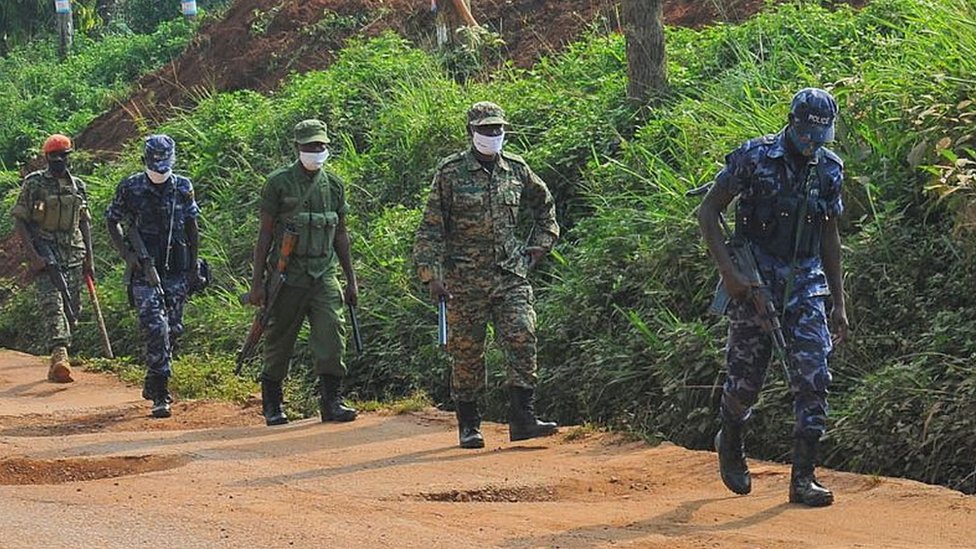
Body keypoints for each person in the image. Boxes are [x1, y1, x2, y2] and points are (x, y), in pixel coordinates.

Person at [697, 88, 849, 507]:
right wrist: (729, 274)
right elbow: (708, 212)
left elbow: (830, 235)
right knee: (745, 382)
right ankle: (730, 435)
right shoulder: (754, 157)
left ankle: (803, 478)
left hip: (806, 285)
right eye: (806, 133)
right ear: (792, 122)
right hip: (753, 281)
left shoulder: (829, 169)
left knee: (814, 377)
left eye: (821, 136)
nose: (811, 143)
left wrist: (838, 302)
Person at [413, 101, 560, 449]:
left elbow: (545, 208)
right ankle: (469, 424)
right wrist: (431, 275)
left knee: (523, 337)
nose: (493, 135)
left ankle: (523, 418)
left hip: (510, 274)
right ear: (471, 132)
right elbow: (431, 228)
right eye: (485, 130)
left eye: (498, 129)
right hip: (464, 280)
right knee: (467, 352)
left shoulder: (517, 169)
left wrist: (540, 246)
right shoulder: (450, 173)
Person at [246, 119, 359, 427]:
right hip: (287, 277)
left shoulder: (334, 185)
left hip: (323, 273)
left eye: (320, 146)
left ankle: (331, 401)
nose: (315, 152)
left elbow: (341, 235)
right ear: (297, 148)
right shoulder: (278, 183)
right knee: (279, 340)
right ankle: (272, 403)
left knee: (332, 336)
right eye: (309, 147)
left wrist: (351, 279)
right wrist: (258, 284)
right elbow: (265, 236)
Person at [106, 134, 202, 419]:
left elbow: (192, 227)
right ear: (144, 161)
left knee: (173, 329)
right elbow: (113, 221)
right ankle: (161, 394)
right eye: (154, 163)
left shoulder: (183, 186)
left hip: (176, 269)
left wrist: (194, 267)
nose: (159, 169)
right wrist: (128, 255)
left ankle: (152, 378)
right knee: (155, 327)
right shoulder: (131, 187)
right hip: (145, 272)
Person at [10, 134, 93, 383]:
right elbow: (21, 221)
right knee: (53, 304)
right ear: (46, 157)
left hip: (74, 253)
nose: (58, 161)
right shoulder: (34, 183)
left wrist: (90, 257)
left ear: (69, 157)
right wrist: (34, 256)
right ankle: (59, 354)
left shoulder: (77, 185)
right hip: (46, 253)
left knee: (72, 307)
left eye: (63, 156)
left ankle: (63, 351)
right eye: (54, 156)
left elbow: (84, 222)